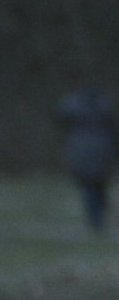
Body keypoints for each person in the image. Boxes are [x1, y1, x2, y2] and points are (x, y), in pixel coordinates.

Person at [55, 84, 117, 233]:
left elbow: (59, 118)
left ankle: (96, 221)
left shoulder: (72, 108)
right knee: (98, 185)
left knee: (89, 187)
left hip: (81, 152)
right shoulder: (105, 109)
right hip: (103, 151)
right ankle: (100, 215)